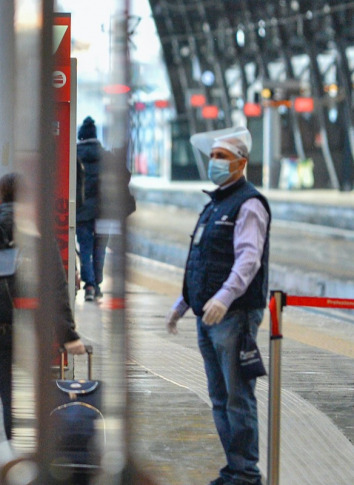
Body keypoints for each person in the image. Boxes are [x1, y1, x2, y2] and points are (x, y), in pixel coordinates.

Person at [166, 126, 269, 485]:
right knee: (220, 396)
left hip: (234, 316)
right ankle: (235, 469)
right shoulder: (215, 204)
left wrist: (225, 298)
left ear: (241, 163)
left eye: (221, 157)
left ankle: (245, 473)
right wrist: (183, 303)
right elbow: (202, 260)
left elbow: (248, 260)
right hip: (208, 315)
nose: (214, 162)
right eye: (212, 156)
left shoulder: (249, 203)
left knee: (238, 397)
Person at [0, 172, 87, 441]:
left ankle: (18, 458)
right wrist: (68, 335)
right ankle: (41, 455)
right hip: (32, 331)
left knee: (10, 400)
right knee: (38, 396)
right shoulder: (36, 234)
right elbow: (56, 288)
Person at [75, 116, 108, 302]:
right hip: (103, 213)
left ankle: (89, 285)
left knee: (85, 248)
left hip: (81, 212)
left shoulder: (74, 155)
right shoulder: (106, 156)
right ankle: (97, 284)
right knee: (100, 249)